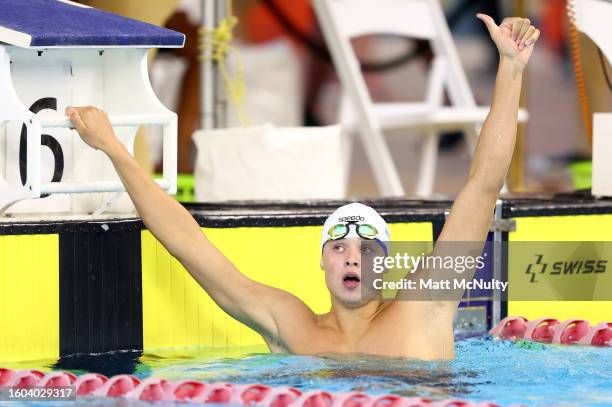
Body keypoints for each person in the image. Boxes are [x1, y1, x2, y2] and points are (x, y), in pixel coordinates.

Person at [65, 14, 540, 360]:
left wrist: (511, 70)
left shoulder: (425, 307)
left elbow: (482, 186)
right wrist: (114, 149)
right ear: (321, 260)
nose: (354, 255)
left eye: (368, 248)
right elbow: (189, 244)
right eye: (340, 246)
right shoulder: (291, 326)